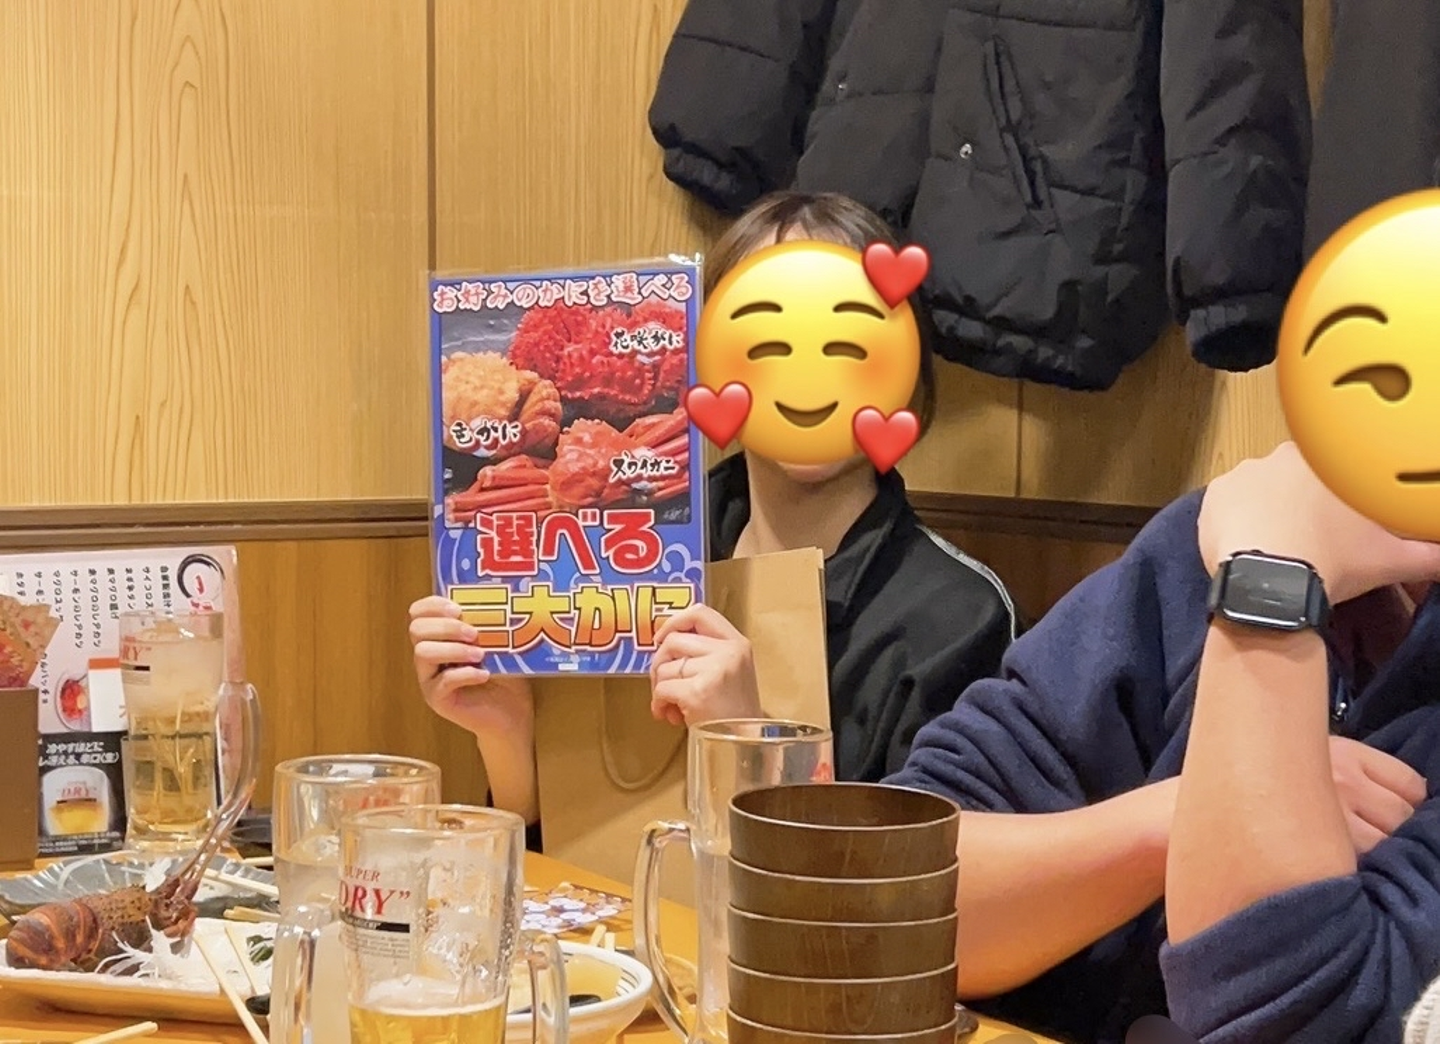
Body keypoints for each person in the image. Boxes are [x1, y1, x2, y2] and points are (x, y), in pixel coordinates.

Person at [408, 190, 1017, 845]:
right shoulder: (617, 555)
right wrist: (506, 732)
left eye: (844, 341)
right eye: (765, 337)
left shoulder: (959, 619)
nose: (805, 371)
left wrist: (748, 742)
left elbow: (916, 886)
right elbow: (565, 852)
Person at [884, 442, 1438, 1044]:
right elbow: (896, 897)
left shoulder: (1262, 548)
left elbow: (1285, 1013)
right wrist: (1195, 811)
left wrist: (1271, 584)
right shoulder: (1236, 532)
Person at [1161, 442, 1440, 1044]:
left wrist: (1272, 578)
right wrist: (1178, 810)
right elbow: (951, 872)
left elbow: (1280, 1010)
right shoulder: (1251, 514)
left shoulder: (1265, 536)